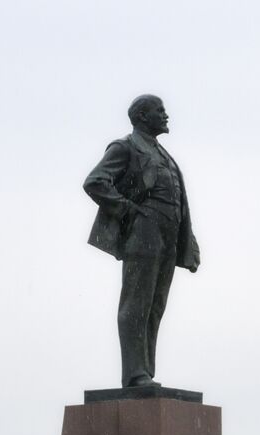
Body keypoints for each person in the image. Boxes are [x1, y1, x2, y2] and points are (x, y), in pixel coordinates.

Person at [83, 95, 201, 388]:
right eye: (159, 110)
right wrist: (127, 210)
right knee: (137, 303)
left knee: (155, 305)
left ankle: (145, 370)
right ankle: (135, 374)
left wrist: (189, 240)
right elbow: (95, 181)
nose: (165, 115)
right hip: (143, 231)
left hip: (168, 235)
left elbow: (178, 200)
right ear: (141, 117)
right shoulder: (125, 147)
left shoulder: (164, 154)